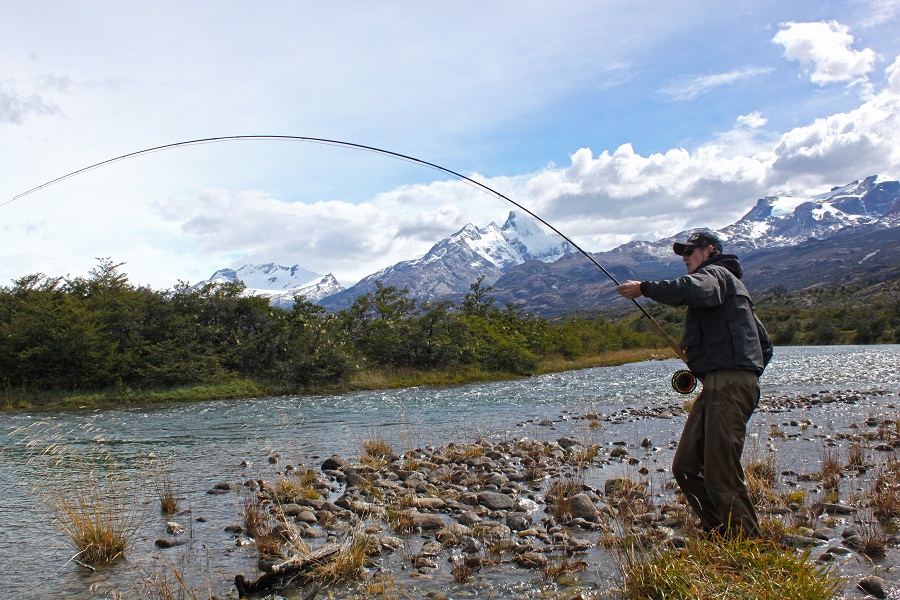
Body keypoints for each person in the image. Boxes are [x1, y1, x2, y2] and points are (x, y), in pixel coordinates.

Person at [615, 230, 773, 538]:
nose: (685, 257)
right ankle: (719, 532)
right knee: (686, 466)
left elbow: (694, 289)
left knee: (720, 472)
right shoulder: (733, 286)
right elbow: (765, 346)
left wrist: (643, 288)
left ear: (710, 250)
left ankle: (749, 545)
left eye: (691, 251)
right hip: (722, 384)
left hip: (727, 385)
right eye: (683, 252)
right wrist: (734, 371)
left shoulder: (714, 274)